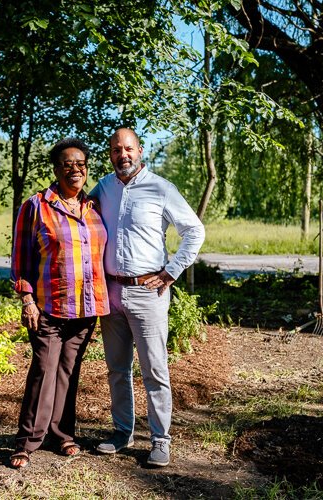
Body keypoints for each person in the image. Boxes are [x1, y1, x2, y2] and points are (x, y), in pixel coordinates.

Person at [89, 127, 205, 467]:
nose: (122, 155)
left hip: (148, 292)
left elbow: (194, 231)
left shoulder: (161, 188)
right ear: (110, 154)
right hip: (111, 292)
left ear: (140, 150)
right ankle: (122, 432)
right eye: (115, 150)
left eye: (128, 148)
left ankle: (160, 440)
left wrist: (171, 271)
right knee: (116, 369)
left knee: (154, 369)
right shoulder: (104, 188)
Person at [9, 137, 110, 469]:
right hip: (48, 306)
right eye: (68, 164)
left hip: (85, 309)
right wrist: (27, 300)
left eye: (81, 164)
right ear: (56, 169)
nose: (75, 169)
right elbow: (21, 258)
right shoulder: (35, 206)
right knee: (43, 371)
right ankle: (27, 441)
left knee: (68, 371)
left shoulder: (93, 207)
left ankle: (63, 434)